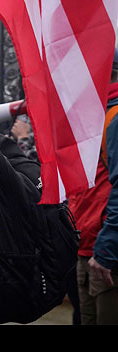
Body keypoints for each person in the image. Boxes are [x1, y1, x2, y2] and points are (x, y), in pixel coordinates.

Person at [74, 50, 118, 324]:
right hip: (89, 245)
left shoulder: (114, 116)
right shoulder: (100, 112)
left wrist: (106, 250)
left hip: (104, 253)